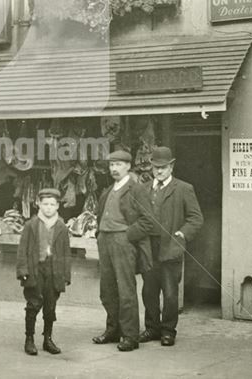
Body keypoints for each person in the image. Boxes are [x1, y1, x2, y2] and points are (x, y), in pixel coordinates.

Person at [139, 146, 203, 347]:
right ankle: (151, 327)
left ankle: (168, 330)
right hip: (149, 248)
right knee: (148, 291)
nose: (158, 171)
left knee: (169, 292)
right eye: (155, 167)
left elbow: (196, 218)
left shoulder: (184, 188)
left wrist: (182, 233)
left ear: (171, 166)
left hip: (171, 247)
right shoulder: (144, 189)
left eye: (163, 167)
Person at [90, 149, 153, 352]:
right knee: (107, 291)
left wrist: (127, 236)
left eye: (118, 164)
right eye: (111, 165)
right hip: (105, 241)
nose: (114, 169)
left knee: (126, 291)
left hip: (123, 241)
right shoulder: (108, 190)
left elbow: (148, 221)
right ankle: (113, 330)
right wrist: (100, 234)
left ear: (128, 166)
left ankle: (130, 336)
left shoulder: (136, 189)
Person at [16, 187, 71, 357]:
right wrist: (23, 270)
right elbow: (22, 249)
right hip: (35, 268)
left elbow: (65, 253)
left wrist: (66, 275)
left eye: (52, 204)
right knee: (33, 304)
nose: (48, 207)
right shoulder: (31, 225)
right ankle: (29, 339)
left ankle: (47, 339)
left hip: (54, 270)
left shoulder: (61, 226)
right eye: (45, 204)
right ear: (38, 204)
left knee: (50, 306)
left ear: (57, 206)